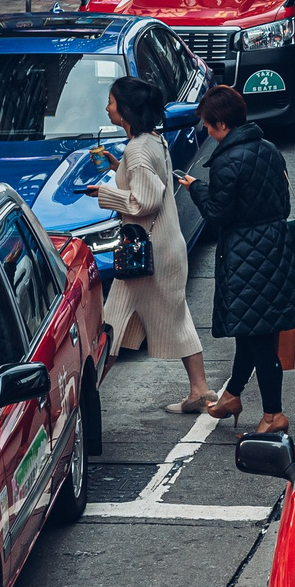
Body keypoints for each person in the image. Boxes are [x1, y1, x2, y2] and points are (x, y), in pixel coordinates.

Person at [86, 76, 212, 413]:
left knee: (111, 323)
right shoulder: (152, 141)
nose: (107, 107)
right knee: (172, 315)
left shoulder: (137, 149)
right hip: (165, 247)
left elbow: (145, 202)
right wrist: (118, 168)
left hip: (147, 252)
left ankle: (85, 402)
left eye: (111, 102)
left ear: (125, 110)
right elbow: (149, 181)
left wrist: (105, 194)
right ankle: (199, 390)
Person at [188, 84, 295, 434]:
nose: (208, 132)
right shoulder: (270, 150)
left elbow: (217, 213)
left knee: (260, 340)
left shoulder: (226, 162)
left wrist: (196, 187)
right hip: (276, 250)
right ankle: (232, 396)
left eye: (209, 126)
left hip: (246, 258)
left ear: (222, 124)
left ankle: (274, 415)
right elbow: (282, 203)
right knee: (252, 332)